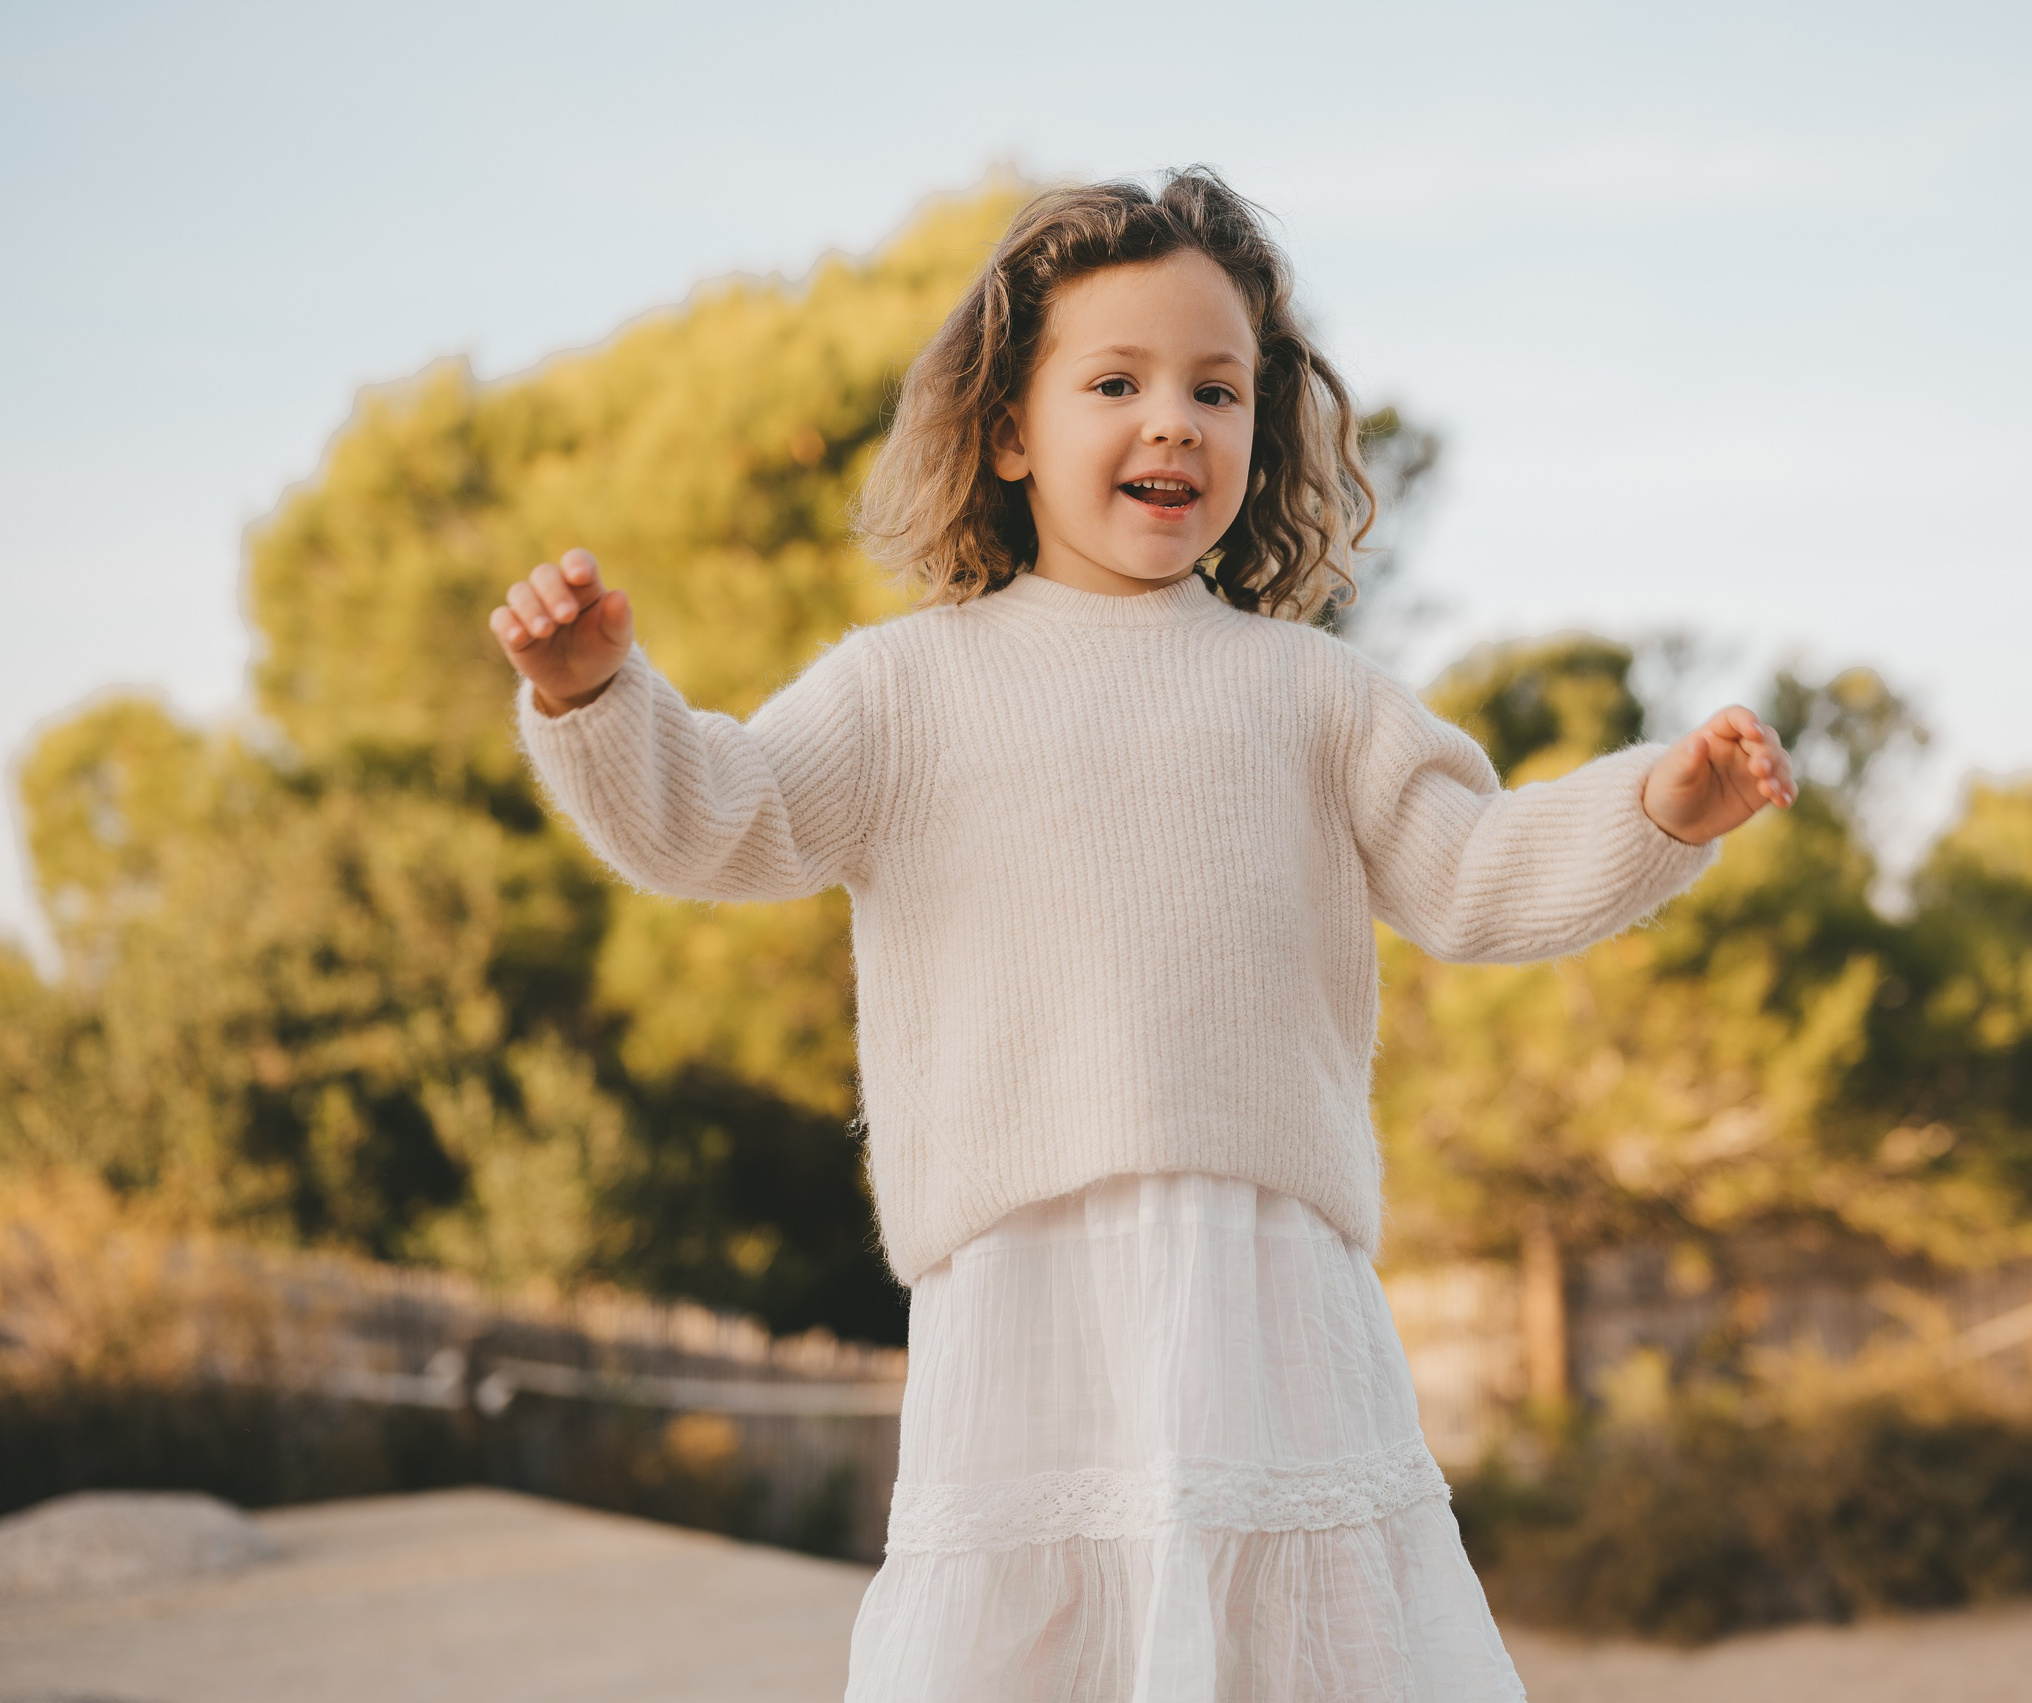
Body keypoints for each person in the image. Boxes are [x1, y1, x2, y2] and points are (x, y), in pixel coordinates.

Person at [489, 170, 1796, 1703]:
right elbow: (717, 819)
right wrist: (593, 698)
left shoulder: (1315, 695)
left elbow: (1477, 873)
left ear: (1264, 430)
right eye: (1116, 382)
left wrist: (1662, 804)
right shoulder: (907, 688)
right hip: (1025, 1299)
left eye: (1217, 389)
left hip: (1272, 1294)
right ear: (1007, 433)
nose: (1173, 420)